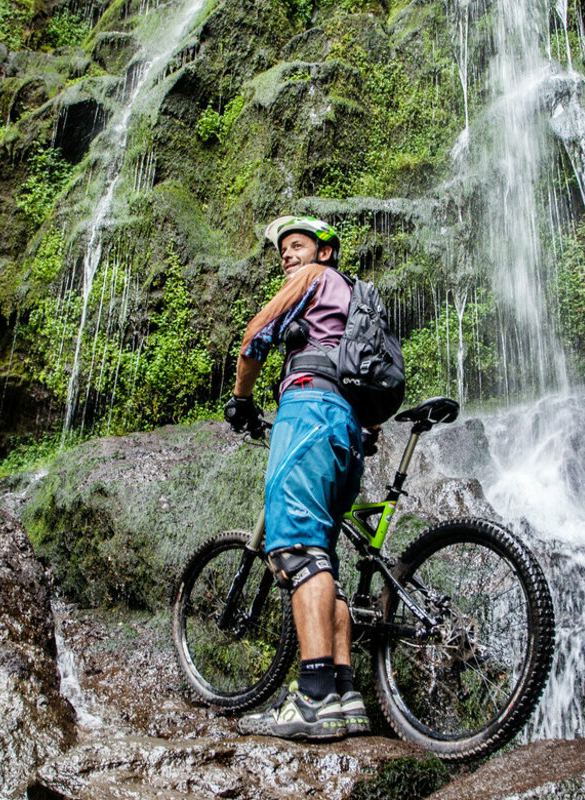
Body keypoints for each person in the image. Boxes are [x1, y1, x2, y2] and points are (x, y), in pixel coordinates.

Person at [223, 215, 372, 741]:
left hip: (308, 410)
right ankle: (346, 693)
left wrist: (242, 401)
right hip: (346, 429)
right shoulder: (353, 298)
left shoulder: (309, 280)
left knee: (297, 552)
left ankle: (313, 698)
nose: (288, 254)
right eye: (283, 249)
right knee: (321, 558)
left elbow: (254, 337)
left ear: (323, 253)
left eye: (299, 245)